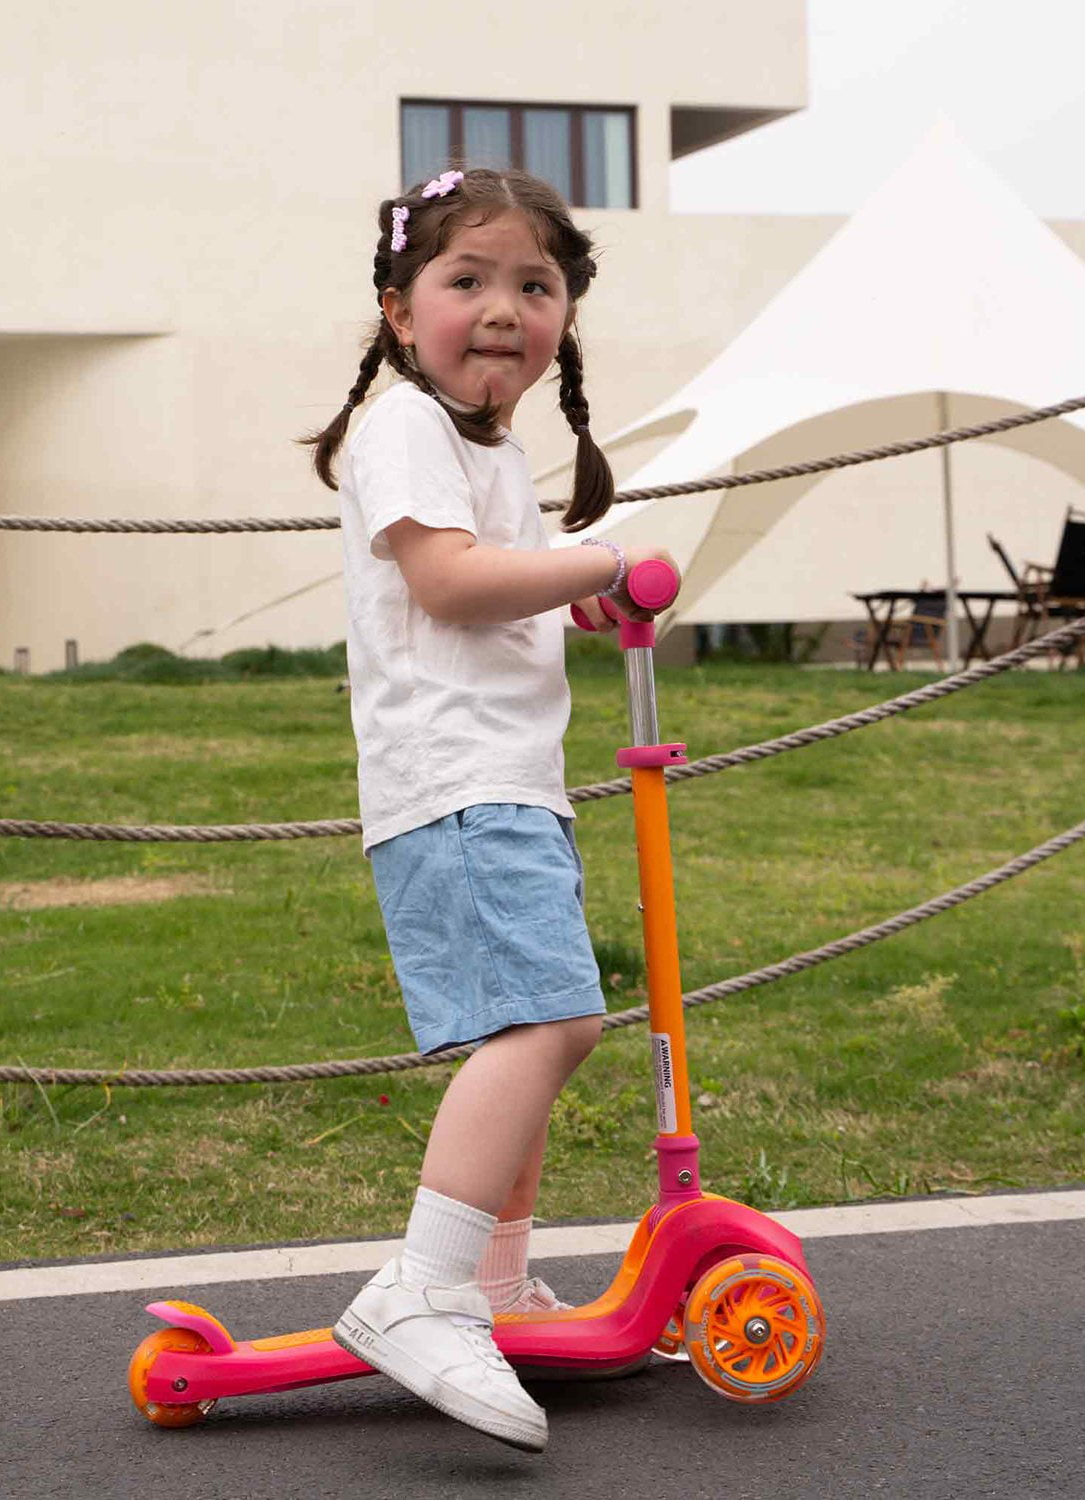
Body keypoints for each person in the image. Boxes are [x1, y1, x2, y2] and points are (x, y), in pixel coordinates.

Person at [302, 166, 672, 1453]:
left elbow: (483, 589)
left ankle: (496, 1285)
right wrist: (601, 559)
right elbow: (450, 584)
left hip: (505, 780)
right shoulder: (406, 424)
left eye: (536, 284)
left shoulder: (485, 446)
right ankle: (422, 1287)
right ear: (401, 312)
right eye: (468, 280)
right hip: (456, 783)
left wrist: (571, 593)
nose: (506, 307)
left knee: (530, 1031)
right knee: (552, 1023)